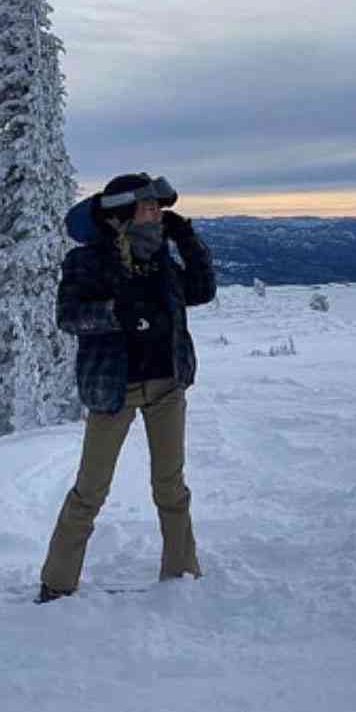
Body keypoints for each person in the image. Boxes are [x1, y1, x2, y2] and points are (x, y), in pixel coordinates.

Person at [39, 172, 215, 602]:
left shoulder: (160, 258)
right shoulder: (86, 261)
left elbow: (202, 289)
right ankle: (57, 584)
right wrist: (118, 313)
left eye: (160, 207)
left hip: (166, 384)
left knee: (171, 489)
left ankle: (181, 576)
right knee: (90, 491)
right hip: (113, 390)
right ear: (122, 214)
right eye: (149, 206)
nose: (158, 213)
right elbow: (68, 316)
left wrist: (186, 238)